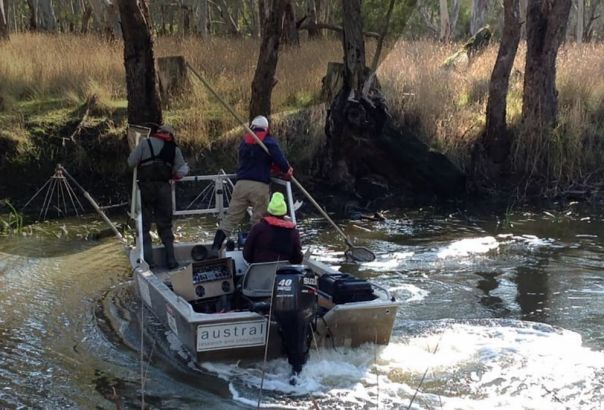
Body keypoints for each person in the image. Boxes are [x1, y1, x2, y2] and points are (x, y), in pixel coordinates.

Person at [212, 115, 293, 250]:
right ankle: (256, 250)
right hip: (259, 186)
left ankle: (215, 246)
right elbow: (279, 159)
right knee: (258, 220)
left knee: (231, 218)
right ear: (266, 128)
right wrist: (287, 170)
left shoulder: (244, 142)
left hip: (241, 184)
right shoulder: (268, 141)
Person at [128, 124, 189, 269]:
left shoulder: (144, 143)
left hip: (146, 188)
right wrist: (172, 174)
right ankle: (171, 260)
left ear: (158, 133)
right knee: (165, 225)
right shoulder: (174, 149)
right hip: (164, 189)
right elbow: (182, 170)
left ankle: (149, 262)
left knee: (144, 225)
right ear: (170, 135)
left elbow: (131, 162)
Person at [243, 192, 303, 264]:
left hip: (259, 272)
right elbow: (298, 259)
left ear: (269, 211)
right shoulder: (293, 232)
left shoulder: (258, 228)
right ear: (284, 212)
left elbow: (246, 255)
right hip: (284, 272)